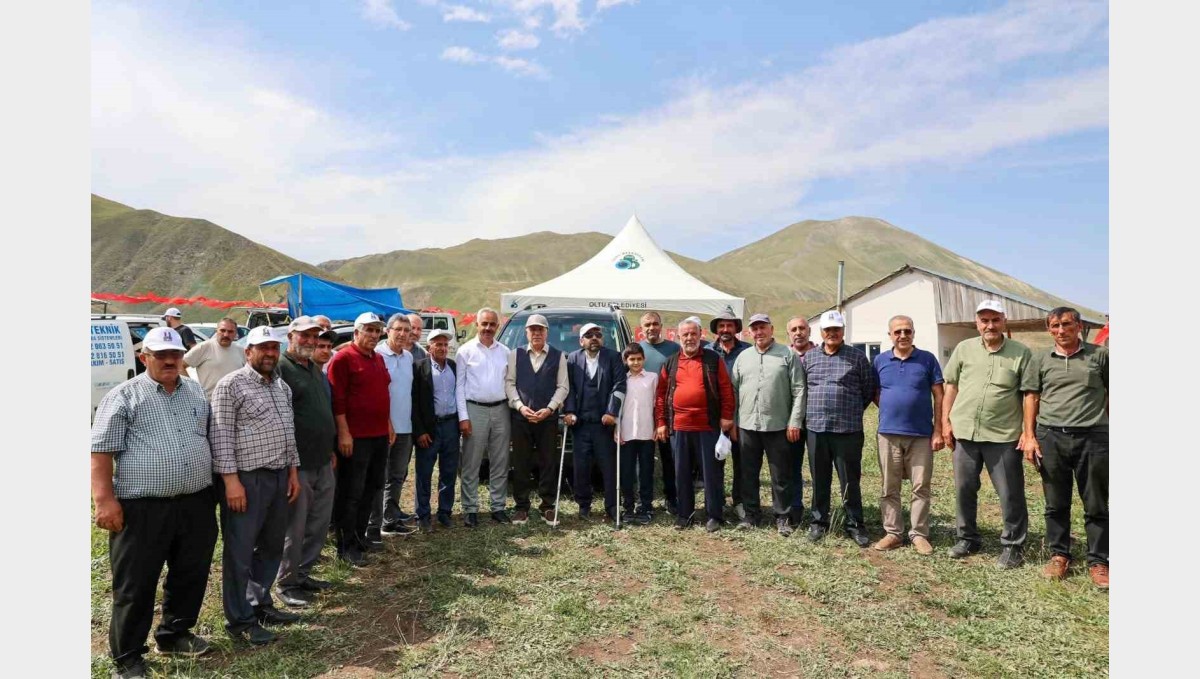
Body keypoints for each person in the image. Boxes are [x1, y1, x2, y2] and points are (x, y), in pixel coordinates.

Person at [91, 327, 219, 679]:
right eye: (160, 354)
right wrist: (104, 501)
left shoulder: (194, 391)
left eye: (174, 354)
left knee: (190, 572)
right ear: (143, 356)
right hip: (142, 508)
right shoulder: (123, 396)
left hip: (195, 503)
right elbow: (101, 452)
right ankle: (128, 656)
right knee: (136, 583)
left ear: (182, 356)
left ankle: (174, 634)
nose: (168, 360)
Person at [210, 326, 302, 645]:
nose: (270, 353)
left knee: (271, 545)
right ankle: (239, 621)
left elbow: (288, 432)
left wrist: (292, 471)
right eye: (263, 348)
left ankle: (260, 603)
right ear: (247, 352)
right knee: (240, 551)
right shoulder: (230, 386)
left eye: (274, 348)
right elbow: (221, 436)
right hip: (246, 480)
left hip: (278, 476)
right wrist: (231, 482)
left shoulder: (280, 385)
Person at [942, 300, 1037, 569]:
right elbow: (951, 386)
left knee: (1010, 492)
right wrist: (945, 423)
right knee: (964, 488)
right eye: (985, 320)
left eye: (995, 320)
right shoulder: (964, 349)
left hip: (1003, 435)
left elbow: (1030, 394)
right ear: (977, 323)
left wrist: (1028, 432)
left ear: (1004, 322)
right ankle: (968, 538)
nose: (990, 325)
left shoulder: (1021, 353)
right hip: (965, 432)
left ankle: (1012, 546)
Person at [1024, 307, 1109, 588]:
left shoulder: (1100, 356)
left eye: (1066, 324)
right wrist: (1030, 436)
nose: (1061, 331)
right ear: (1049, 329)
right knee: (1055, 503)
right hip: (1051, 438)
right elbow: (1031, 398)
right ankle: (1059, 555)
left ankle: (1098, 562)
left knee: (1095, 502)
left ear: (1078, 325)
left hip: (1092, 438)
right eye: (1055, 326)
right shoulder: (1040, 360)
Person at [274, 317, 338, 608]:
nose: (311, 341)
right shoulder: (280, 368)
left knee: (319, 522)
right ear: (291, 335)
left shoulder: (314, 368)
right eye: (306, 335)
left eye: (315, 336)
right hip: (297, 464)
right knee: (295, 527)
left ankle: (303, 573)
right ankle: (286, 582)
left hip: (323, 459)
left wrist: (330, 447)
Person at [871, 315, 944, 556]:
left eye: (907, 331)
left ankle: (919, 534)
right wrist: (893, 408)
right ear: (890, 335)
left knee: (920, 486)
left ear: (913, 333)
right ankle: (893, 533)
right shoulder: (880, 361)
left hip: (921, 434)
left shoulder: (927, 360)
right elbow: (875, 392)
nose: (903, 335)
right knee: (889, 487)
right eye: (898, 332)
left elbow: (939, 395)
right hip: (888, 434)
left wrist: (938, 430)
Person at [804, 310, 878, 547]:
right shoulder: (809, 357)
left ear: (843, 331)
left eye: (836, 329)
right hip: (816, 428)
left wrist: (850, 410)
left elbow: (868, 390)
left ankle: (855, 525)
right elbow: (803, 388)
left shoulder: (857, 358)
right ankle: (818, 522)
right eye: (828, 330)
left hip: (847, 430)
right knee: (819, 479)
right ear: (821, 332)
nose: (832, 333)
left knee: (850, 480)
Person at [655, 319, 735, 532]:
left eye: (693, 334)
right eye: (685, 335)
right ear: (678, 337)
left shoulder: (712, 359)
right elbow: (661, 395)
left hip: (707, 426)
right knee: (681, 473)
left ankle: (714, 515)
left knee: (711, 473)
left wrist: (727, 417)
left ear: (700, 335)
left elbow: (726, 389)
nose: (689, 338)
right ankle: (685, 514)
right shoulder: (670, 362)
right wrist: (661, 422)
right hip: (679, 428)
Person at [327, 312, 394, 566]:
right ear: (356, 333)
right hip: (355, 438)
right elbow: (338, 400)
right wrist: (343, 432)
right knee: (351, 492)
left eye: (377, 331)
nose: (374, 335)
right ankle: (345, 545)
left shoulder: (377, 358)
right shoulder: (343, 359)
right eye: (369, 330)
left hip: (378, 435)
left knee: (372, 487)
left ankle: (358, 536)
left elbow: (382, 394)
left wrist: (388, 424)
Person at [730, 314, 806, 536]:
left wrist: (795, 421)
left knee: (780, 475)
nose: (759, 332)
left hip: (778, 426)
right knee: (748, 473)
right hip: (747, 425)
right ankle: (751, 515)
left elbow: (799, 389)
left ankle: (782, 517)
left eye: (763, 327)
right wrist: (733, 422)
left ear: (772, 329)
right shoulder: (743, 357)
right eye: (755, 329)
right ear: (750, 332)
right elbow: (734, 391)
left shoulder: (787, 355)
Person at [505, 314, 569, 525]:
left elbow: (563, 387)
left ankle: (547, 506)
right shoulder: (515, 355)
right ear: (527, 332)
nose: (536, 333)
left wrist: (550, 409)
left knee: (548, 462)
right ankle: (521, 507)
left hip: (547, 418)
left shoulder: (558, 356)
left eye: (540, 329)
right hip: (521, 418)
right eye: (532, 329)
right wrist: (520, 407)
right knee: (521, 462)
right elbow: (510, 384)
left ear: (546, 332)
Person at [455, 307, 513, 526]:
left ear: (497, 326)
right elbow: (459, 386)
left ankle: (498, 507)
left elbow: (510, 383)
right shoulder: (465, 351)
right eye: (484, 324)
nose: (488, 328)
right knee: (471, 461)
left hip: (501, 409)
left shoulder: (505, 352)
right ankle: (470, 509)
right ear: (476, 325)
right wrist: (463, 417)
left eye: (492, 324)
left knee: (500, 461)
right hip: (474, 409)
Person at [564, 323, 627, 522]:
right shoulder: (573, 358)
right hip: (580, 423)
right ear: (581, 340)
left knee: (608, 467)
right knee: (581, 467)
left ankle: (612, 506)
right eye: (589, 335)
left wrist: (611, 412)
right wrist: (570, 411)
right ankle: (583, 505)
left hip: (604, 424)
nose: (594, 338)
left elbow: (619, 385)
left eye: (597, 335)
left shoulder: (613, 357)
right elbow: (570, 388)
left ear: (602, 339)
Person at [370, 314, 419, 539]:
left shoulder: (408, 357)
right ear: (387, 331)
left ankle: (389, 522)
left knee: (398, 476)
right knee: (379, 477)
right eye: (397, 329)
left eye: (406, 330)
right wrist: (386, 422)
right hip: (382, 428)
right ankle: (373, 524)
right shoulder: (377, 355)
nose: (402, 334)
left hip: (405, 428)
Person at [411, 329, 461, 531]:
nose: (442, 348)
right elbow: (413, 403)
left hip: (451, 425)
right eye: (437, 344)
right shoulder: (419, 368)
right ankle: (422, 515)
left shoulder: (453, 366)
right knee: (424, 473)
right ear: (429, 346)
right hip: (429, 428)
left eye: (445, 344)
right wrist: (420, 431)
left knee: (449, 471)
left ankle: (444, 512)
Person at [638, 311, 681, 515]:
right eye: (647, 325)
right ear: (642, 328)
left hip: (668, 413)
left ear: (661, 326)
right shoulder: (637, 350)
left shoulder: (674, 349)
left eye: (655, 324)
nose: (651, 328)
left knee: (669, 458)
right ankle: (642, 499)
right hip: (642, 412)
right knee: (642, 459)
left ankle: (672, 499)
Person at [709, 311, 751, 519]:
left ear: (736, 328)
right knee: (714, 462)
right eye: (721, 326)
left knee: (741, 461)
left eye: (730, 326)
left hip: (742, 416)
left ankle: (740, 501)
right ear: (716, 329)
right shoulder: (707, 351)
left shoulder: (748, 352)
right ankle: (716, 501)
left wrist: (734, 419)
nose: (725, 330)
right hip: (712, 418)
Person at [618, 343, 657, 525]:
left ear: (644, 359)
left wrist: (658, 426)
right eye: (632, 359)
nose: (636, 362)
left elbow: (657, 405)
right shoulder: (621, 380)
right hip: (626, 433)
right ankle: (627, 506)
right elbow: (616, 408)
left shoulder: (652, 378)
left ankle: (645, 506)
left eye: (639, 359)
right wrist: (616, 429)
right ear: (626, 360)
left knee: (646, 471)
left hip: (647, 432)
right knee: (626, 471)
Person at [785, 316, 818, 518]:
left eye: (802, 328)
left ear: (809, 331)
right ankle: (795, 508)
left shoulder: (822, 354)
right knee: (791, 466)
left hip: (816, 420)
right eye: (794, 329)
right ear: (789, 333)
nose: (798, 332)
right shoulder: (783, 355)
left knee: (818, 467)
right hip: (791, 421)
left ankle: (819, 510)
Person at [182, 317, 246, 399]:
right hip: (210, 403)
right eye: (222, 330)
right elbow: (180, 365)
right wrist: (191, 388)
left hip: (235, 402)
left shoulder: (240, 350)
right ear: (217, 331)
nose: (226, 335)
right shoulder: (205, 347)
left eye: (230, 332)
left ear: (235, 333)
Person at [313, 329, 336, 395]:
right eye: (321, 346)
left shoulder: (325, 376)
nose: (326, 351)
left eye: (329, 347)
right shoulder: (303, 375)